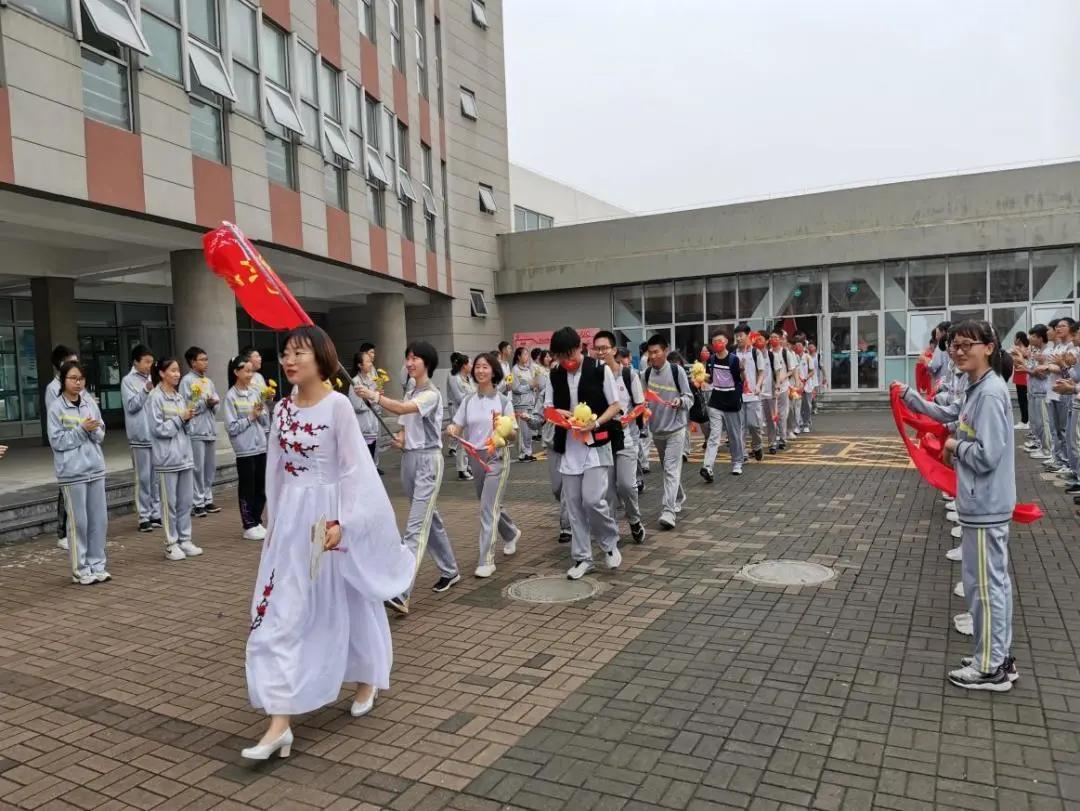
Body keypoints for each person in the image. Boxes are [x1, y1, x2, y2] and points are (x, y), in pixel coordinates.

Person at [242, 325, 414, 761]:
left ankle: (367, 675)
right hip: (291, 523)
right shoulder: (281, 409)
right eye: (285, 352)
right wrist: (273, 517)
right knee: (284, 611)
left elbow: (358, 470)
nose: (289, 359)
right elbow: (276, 471)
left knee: (348, 597)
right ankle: (280, 722)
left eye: (299, 351)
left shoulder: (338, 406)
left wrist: (348, 523)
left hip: (330, 516)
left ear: (321, 357)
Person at [897, 321, 1017, 691]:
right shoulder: (975, 388)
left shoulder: (991, 393)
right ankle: (996, 656)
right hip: (980, 501)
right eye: (955, 345)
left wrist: (953, 448)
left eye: (968, 344)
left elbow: (987, 455)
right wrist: (909, 399)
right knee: (991, 584)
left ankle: (990, 666)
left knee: (984, 587)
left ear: (990, 347)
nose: (960, 351)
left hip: (985, 503)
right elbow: (949, 414)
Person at [358, 341, 460, 612]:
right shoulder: (412, 389)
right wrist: (401, 439)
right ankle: (450, 569)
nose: (410, 363)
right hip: (410, 461)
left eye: (415, 358)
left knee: (415, 528)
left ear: (427, 362)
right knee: (430, 518)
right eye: (408, 358)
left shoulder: (431, 393)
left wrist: (374, 396)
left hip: (428, 462)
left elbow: (404, 411)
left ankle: (401, 592)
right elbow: (404, 426)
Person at [545, 327, 623, 578]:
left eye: (569, 354)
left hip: (595, 444)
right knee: (574, 506)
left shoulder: (600, 370)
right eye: (560, 357)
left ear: (580, 348)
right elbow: (548, 409)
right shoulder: (554, 375)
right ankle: (582, 558)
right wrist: (561, 414)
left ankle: (609, 543)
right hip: (569, 447)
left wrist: (596, 422)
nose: (565, 361)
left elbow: (615, 405)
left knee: (592, 500)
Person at [448, 351, 522, 578]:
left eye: (485, 367)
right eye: (477, 366)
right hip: (475, 457)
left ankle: (486, 560)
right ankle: (511, 533)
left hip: (497, 457)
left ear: (494, 372)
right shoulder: (469, 400)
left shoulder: (502, 401)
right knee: (490, 504)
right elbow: (457, 425)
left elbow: (514, 436)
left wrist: (505, 429)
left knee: (487, 508)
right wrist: (452, 430)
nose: (480, 370)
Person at [48, 360, 109, 585]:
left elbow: (101, 432)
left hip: (95, 468)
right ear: (63, 380)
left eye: (81, 378)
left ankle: (97, 565)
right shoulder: (56, 408)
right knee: (79, 523)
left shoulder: (89, 403)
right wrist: (82, 430)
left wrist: (93, 431)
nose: (77, 382)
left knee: (98, 521)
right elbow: (58, 441)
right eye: (73, 378)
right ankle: (80, 569)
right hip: (72, 473)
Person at [594, 331, 646, 544]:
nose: (600, 352)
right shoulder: (594, 376)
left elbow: (641, 404)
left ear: (614, 350)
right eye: (597, 348)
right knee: (607, 490)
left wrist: (626, 419)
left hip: (626, 438)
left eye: (604, 348)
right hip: (602, 439)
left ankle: (634, 519)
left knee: (625, 484)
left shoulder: (628, 375)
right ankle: (611, 531)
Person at [149, 358, 202, 561]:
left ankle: (185, 539)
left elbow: (187, 429)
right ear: (162, 373)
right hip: (166, 460)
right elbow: (158, 429)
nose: (177, 374)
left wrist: (189, 419)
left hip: (184, 457)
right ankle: (171, 543)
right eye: (172, 370)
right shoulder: (155, 398)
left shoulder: (180, 397)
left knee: (185, 502)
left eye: (178, 370)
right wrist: (181, 418)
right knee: (169, 504)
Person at [643, 333, 691, 530]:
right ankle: (679, 496)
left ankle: (668, 511)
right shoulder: (645, 374)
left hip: (676, 429)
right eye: (650, 353)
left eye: (656, 352)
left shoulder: (676, 371)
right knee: (668, 469)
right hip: (658, 431)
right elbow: (642, 400)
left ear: (665, 351)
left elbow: (689, 397)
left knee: (671, 470)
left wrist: (680, 401)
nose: (653, 356)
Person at [225, 355, 270, 540]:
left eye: (251, 370)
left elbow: (266, 420)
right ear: (236, 372)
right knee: (247, 487)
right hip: (245, 450)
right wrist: (251, 417)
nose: (250, 374)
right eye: (246, 370)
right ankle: (248, 523)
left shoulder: (255, 392)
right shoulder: (230, 396)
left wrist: (260, 414)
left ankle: (257, 520)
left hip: (260, 446)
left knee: (261, 487)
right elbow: (232, 427)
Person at [122, 344, 161, 533]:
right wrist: (145, 390)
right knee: (143, 478)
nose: (149, 366)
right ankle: (144, 516)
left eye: (151, 362)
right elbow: (131, 406)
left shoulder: (154, 379)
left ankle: (156, 513)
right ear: (135, 361)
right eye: (146, 362)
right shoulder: (128, 381)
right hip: (139, 437)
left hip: (155, 436)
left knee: (155, 478)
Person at [180, 347, 221, 517]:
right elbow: (185, 407)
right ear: (192, 362)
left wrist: (213, 404)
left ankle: (207, 498)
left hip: (209, 428)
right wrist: (204, 404)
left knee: (209, 467)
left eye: (206, 359)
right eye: (202, 359)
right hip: (196, 430)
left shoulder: (209, 382)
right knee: (197, 467)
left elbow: (216, 406)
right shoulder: (186, 381)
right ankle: (197, 502)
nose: (206, 363)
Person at [46, 344, 78, 552]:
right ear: (60, 364)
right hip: (65, 443)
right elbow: (55, 417)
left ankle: (74, 529)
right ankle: (62, 533)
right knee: (65, 490)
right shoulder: (53, 388)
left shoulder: (77, 384)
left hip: (80, 442)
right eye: (71, 362)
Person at [701, 332, 744, 479]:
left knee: (734, 435)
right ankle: (707, 467)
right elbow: (709, 379)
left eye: (720, 341)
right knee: (714, 435)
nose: (717, 344)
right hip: (716, 401)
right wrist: (699, 378)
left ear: (726, 342)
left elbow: (740, 380)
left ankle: (737, 462)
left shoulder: (734, 360)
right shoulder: (711, 359)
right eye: (714, 342)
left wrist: (743, 370)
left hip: (731, 401)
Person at [734, 325, 765, 460]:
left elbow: (761, 372)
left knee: (754, 425)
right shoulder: (734, 354)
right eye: (737, 336)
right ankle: (743, 453)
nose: (739, 338)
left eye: (741, 335)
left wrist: (758, 385)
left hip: (753, 395)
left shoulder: (755, 352)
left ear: (748, 335)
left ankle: (757, 446)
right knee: (740, 427)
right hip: (738, 396)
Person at [349, 348, 382, 464]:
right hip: (363, 428)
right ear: (360, 365)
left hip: (373, 427)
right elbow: (357, 406)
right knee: (364, 461)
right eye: (367, 361)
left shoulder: (372, 380)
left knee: (372, 460)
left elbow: (377, 404)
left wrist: (378, 397)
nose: (371, 364)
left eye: (370, 361)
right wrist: (373, 399)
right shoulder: (355, 382)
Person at [1026, 325, 1053, 463]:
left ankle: (1047, 449)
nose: (1030, 338)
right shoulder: (1037, 351)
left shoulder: (1047, 352)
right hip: (1034, 389)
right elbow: (1034, 369)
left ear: (1041, 338)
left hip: (1042, 391)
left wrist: (1027, 368)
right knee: (1037, 421)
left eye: (1033, 336)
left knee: (1043, 422)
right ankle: (1042, 446)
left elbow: (1043, 374)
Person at [446, 352, 475, 481]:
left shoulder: (468, 377)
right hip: (458, 411)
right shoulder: (454, 377)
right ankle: (461, 469)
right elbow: (459, 397)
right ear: (464, 366)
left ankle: (467, 465)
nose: (472, 365)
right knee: (462, 441)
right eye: (470, 363)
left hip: (468, 411)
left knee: (468, 441)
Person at [510, 346, 539, 462]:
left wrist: (535, 387)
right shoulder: (515, 370)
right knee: (523, 431)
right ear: (518, 356)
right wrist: (530, 386)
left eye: (528, 354)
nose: (527, 357)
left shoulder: (528, 369)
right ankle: (523, 454)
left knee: (529, 430)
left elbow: (533, 383)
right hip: (520, 404)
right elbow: (515, 388)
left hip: (530, 402)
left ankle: (529, 452)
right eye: (525, 354)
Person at [1011, 332, 1030, 430]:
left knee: (1023, 400)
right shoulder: (1026, 349)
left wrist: (1018, 354)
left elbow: (1019, 361)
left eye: (1015, 338)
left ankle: (1025, 421)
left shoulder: (1020, 349)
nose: (1014, 340)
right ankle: (1025, 420)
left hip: (1023, 375)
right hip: (1020, 375)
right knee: (1022, 399)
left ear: (1018, 339)